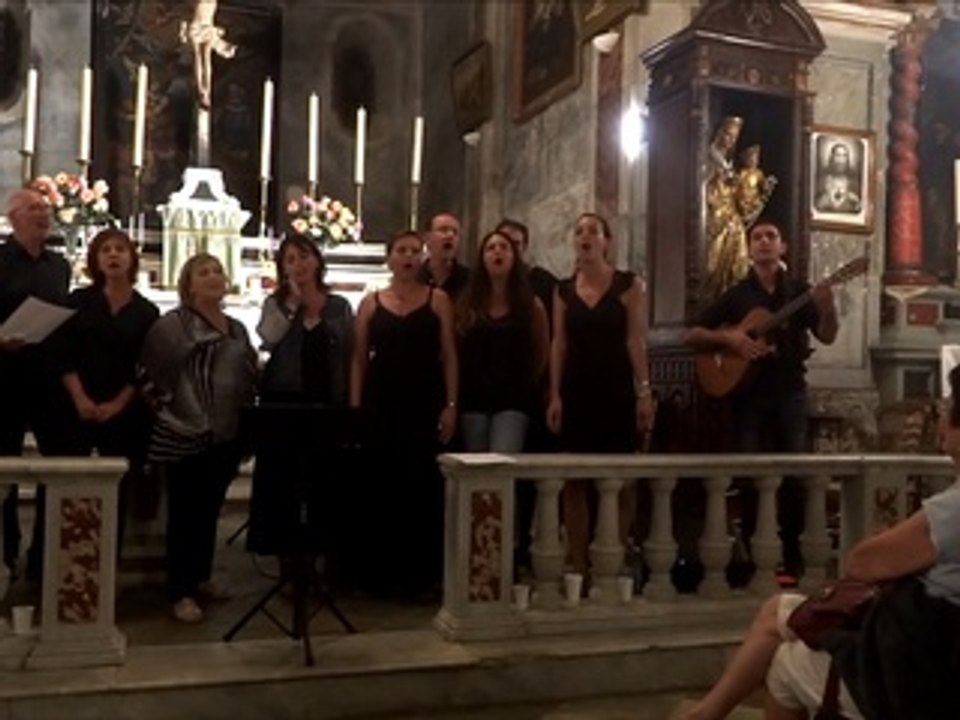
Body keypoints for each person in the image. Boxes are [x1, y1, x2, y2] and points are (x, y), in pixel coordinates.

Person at [678, 364, 960, 720]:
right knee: (776, 611)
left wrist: (894, 548)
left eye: (948, 407)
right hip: (928, 645)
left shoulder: (953, 509)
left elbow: (862, 564)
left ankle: (706, 714)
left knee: (784, 664)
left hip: (917, 667)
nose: (941, 416)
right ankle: (708, 712)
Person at [685, 220, 839, 577]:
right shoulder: (738, 295)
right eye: (757, 238)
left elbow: (827, 335)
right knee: (750, 473)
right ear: (749, 248)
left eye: (771, 236)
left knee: (796, 473)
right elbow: (692, 333)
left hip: (789, 389)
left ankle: (794, 557)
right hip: (748, 395)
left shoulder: (799, 292)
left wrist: (828, 307)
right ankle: (758, 556)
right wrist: (732, 341)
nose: (764, 242)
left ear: (782, 247)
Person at [140, 253, 257, 622]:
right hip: (184, 434)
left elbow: (249, 373)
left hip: (226, 435)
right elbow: (149, 374)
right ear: (189, 284)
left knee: (209, 512)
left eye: (218, 271)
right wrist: (174, 414)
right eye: (203, 272)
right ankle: (180, 589)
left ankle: (201, 575)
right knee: (186, 513)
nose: (213, 277)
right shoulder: (174, 325)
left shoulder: (237, 327)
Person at [546, 213, 654, 579]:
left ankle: (613, 555)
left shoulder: (628, 285)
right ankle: (580, 565)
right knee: (574, 481)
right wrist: (555, 395)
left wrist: (644, 392)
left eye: (593, 230)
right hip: (576, 389)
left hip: (615, 388)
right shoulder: (561, 291)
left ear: (607, 241)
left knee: (618, 478)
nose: (585, 236)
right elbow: (558, 345)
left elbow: (635, 340)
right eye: (578, 231)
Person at [351, 230, 458, 596]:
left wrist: (451, 404)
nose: (409, 256)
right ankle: (380, 574)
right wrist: (355, 409)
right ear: (390, 258)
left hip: (423, 400)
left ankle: (420, 575)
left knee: (421, 485)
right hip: (381, 400)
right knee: (382, 483)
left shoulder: (438, 300)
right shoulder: (371, 302)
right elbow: (359, 359)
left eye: (415, 250)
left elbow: (449, 356)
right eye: (402, 250)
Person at [247, 234, 353, 558]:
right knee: (283, 482)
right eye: (291, 259)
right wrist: (292, 304)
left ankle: (320, 556)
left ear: (318, 261)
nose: (299, 264)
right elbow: (268, 336)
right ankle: (287, 560)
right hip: (285, 400)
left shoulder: (338, 305)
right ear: (283, 268)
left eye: (304, 256)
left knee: (322, 479)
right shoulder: (276, 303)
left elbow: (349, 350)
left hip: (326, 399)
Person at [55, 229, 159, 552]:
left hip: (125, 411)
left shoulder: (147, 312)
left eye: (120, 250)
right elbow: (62, 353)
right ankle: (60, 567)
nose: (113, 255)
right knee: (68, 485)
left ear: (131, 259)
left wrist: (117, 404)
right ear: (96, 260)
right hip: (76, 406)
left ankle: (106, 565)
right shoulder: (78, 302)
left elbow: (144, 366)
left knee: (117, 490)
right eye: (106, 250)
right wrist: (80, 398)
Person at [0, 187, 72, 579]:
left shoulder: (58, 266)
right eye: (33, 208)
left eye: (45, 208)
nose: (43, 214)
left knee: (57, 467)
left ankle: (45, 557)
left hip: (48, 380)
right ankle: (5, 553)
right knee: (4, 470)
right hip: (5, 379)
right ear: (13, 218)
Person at [456, 229, 548, 452]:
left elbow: (541, 352)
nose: (497, 252)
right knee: (475, 473)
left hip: (512, 399)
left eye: (504, 248)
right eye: (491, 248)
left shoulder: (531, 306)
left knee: (501, 466)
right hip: (474, 398)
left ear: (514, 258)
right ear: (482, 258)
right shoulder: (466, 305)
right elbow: (455, 349)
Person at [180, 0, 236, 110]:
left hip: (205, 27)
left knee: (204, 58)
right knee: (201, 58)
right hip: (200, 27)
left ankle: (204, 90)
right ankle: (203, 90)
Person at [417, 212, 470, 302]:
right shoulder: (415, 279)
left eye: (455, 232)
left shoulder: (469, 281)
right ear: (427, 238)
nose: (450, 235)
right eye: (443, 230)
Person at [815, 142, 861, 215]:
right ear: (832, 157)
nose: (841, 160)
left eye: (844, 156)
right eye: (838, 155)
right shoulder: (821, 181)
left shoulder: (855, 183)